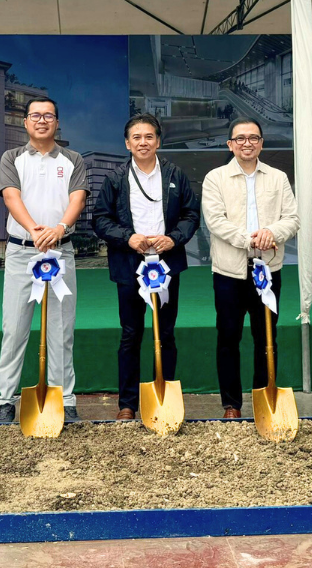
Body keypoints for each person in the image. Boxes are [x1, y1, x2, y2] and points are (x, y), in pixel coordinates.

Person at [92, 113, 200, 420]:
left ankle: (163, 393)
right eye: (136, 137)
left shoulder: (175, 175)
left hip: (167, 263)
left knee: (165, 333)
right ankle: (127, 403)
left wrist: (173, 239)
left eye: (149, 136)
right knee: (130, 333)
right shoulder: (115, 178)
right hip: (130, 264)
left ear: (158, 141)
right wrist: (128, 238)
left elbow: (191, 214)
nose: (143, 142)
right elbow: (100, 218)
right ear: (127, 143)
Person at [0, 98, 89, 424]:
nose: (42, 120)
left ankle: (65, 398)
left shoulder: (72, 159)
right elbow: (11, 196)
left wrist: (60, 228)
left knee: (60, 331)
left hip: (60, 252)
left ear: (57, 122)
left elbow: (77, 197)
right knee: (14, 328)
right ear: (25, 122)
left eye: (48, 115)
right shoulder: (12, 157)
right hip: (23, 251)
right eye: (35, 115)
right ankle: (6, 400)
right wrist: (35, 229)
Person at [201, 118, 300, 418]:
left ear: (262, 143)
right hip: (229, 272)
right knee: (228, 337)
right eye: (240, 138)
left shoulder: (278, 178)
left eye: (253, 138)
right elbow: (215, 221)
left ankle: (264, 397)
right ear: (230, 144)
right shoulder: (215, 178)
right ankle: (231, 404)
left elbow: (291, 219)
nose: (247, 143)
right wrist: (250, 240)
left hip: (268, 271)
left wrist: (272, 233)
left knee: (267, 336)